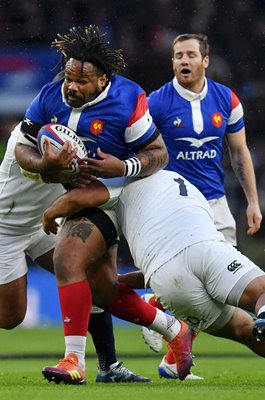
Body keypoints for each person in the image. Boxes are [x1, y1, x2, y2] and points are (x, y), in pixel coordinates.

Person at [14, 25, 195, 384]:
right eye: (69, 77)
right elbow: (22, 144)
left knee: (68, 257)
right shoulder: (50, 96)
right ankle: (174, 330)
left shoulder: (127, 100)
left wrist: (122, 166)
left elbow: (159, 153)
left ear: (103, 80)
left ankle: (73, 360)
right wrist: (43, 165)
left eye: (83, 81)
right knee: (102, 288)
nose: (72, 87)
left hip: (117, 195)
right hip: (80, 195)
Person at [40, 168, 265, 377]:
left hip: (167, 280)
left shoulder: (121, 183)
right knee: (261, 293)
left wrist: (50, 215)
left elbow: (78, 198)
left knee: (243, 330)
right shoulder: (182, 183)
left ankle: (160, 306)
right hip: (207, 249)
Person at [140, 32, 262, 377]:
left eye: (191, 54)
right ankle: (162, 309)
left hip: (216, 203)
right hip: (176, 207)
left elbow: (239, 153)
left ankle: (163, 326)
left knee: (220, 289)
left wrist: (252, 201)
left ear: (205, 61)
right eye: (178, 55)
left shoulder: (226, 100)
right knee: (199, 282)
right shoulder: (157, 103)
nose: (183, 61)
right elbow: (143, 152)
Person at [0, 121, 154, 383]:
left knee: (89, 278)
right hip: (6, 226)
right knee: (11, 317)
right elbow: (38, 170)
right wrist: (57, 171)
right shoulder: (22, 140)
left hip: (43, 223)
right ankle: (166, 324)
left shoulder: (80, 133)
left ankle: (109, 366)